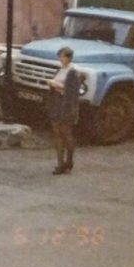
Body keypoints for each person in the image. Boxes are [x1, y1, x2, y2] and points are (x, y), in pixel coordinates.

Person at [46, 47, 80, 175]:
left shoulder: (72, 72)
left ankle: (69, 160)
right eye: (60, 56)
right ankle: (60, 163)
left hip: (66, 105)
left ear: (69, 58)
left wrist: (56, 85)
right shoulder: (60, 70)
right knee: (57, 132)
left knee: (65, 132)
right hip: (56, 102)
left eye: (63, 56)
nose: (61, 59)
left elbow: (72, 91)